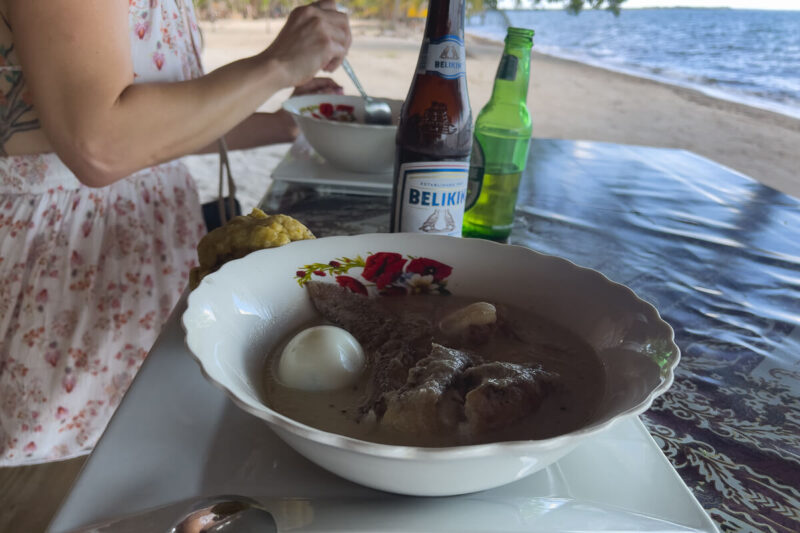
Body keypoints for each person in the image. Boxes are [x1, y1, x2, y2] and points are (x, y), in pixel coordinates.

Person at [0, 0, 351, 465]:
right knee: (48, 471)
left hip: (140, 249)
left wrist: (283, 123)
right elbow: (100, 145)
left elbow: (151, 136)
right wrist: (277, 63)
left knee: (131, 450)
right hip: (52, 263)